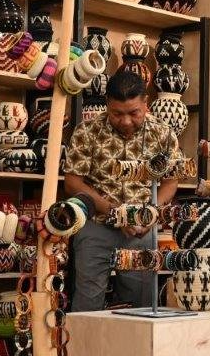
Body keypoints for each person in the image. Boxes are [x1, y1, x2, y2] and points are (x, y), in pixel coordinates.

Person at [63, 71, 181, 311]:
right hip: (96, 226)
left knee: (141, 305)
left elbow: (171, 182)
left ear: (146, 103)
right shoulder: (87, 132)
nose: (126, 121)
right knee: (88, 303)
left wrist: (150, 214)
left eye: (134, 113)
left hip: (141, 231)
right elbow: (72, 183)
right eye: (117, 114)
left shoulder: (163, 134)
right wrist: (116, 213)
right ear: (107, 104)